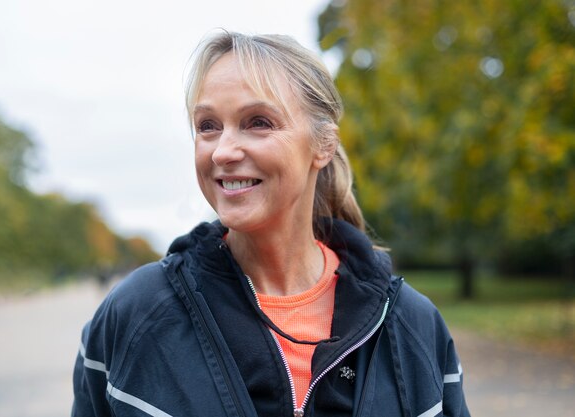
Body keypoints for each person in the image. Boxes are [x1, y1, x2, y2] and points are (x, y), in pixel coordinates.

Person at [72, 31, 471, 417]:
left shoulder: (414, 326)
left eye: (258, 122)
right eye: (208, 126)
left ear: (323, 146)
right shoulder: (133, 315)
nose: (223, 151)